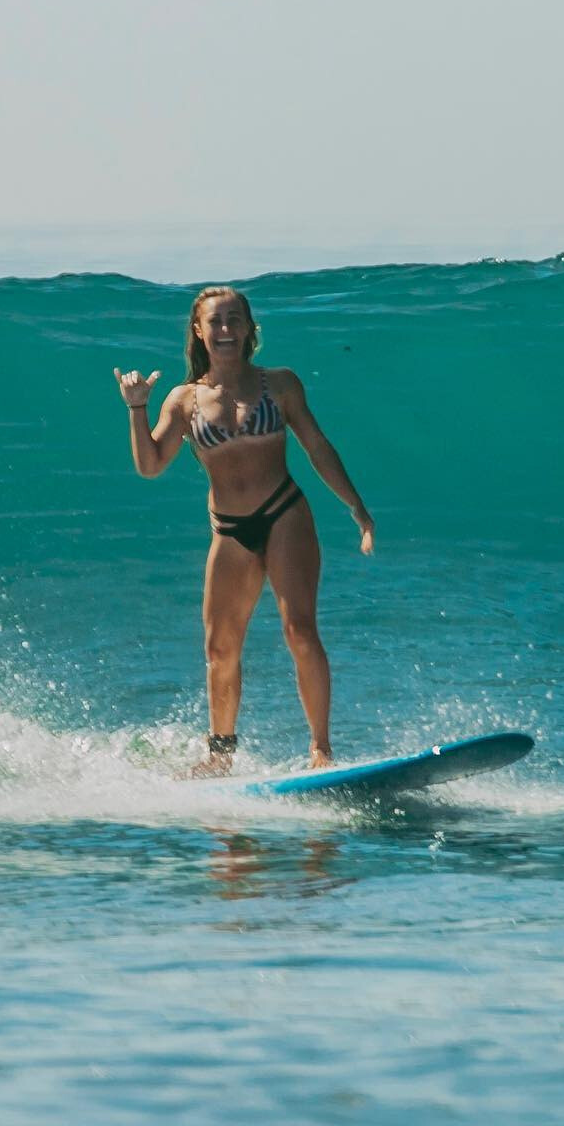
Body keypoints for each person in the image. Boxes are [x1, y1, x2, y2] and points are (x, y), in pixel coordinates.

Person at [114, 285, 374, 775]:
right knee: (219, 647)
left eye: (235, 319)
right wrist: (137, 408)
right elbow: (150, 466)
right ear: (199, 331)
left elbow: (317, 446)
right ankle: (220, 757)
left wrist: (356, 506)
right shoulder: (184, 400)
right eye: (216, 321)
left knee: (300, 631)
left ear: (250, 328)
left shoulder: (280, 384)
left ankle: (320, 750)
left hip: (284, 515)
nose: (226, 329)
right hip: (230, 531)